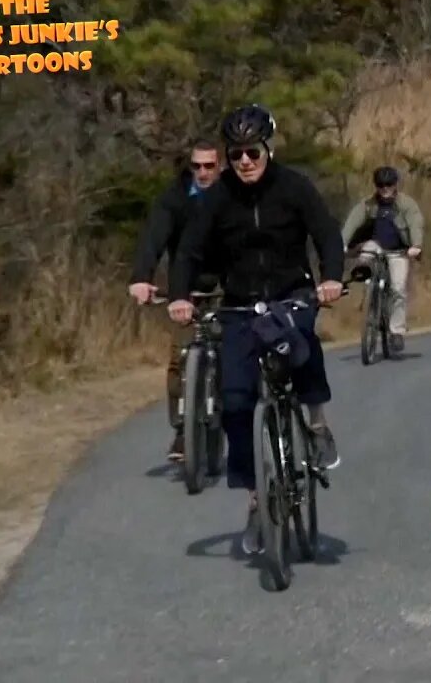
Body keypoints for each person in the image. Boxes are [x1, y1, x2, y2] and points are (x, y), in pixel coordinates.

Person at [168, 104, 345, 554]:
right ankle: (255, 497)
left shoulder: (294, 187)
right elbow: (189, 250)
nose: (245, 162)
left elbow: (326, 233)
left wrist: (330, 278)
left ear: (268, 149)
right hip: (240, 306)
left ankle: (317, 424)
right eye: (236, 155)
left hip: (290, 296)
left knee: (300, 344)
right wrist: (180, 296)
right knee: (234, 402)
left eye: (253, 152)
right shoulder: (217, 198)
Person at [127, 139, 223, 462]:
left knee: (235, 351)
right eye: (196, 166)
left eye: (209, 166)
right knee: (180, 357)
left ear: (220, 166)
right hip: (186, 288)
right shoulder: (175, 198)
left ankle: (236, 416)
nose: (202, 172)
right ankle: (184, 430)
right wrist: (142, 277)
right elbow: (154, 237)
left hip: (227, 284)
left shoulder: (233, 195)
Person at [339, 165, 424, 352]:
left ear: (395, 185)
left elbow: (415, 224)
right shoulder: (369, 204)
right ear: (376, 186)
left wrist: (416, 246)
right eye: (381, 185)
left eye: (389, 185)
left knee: (398, 289)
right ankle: (365, 276)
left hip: (399, 251)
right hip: (376, 246)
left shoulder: (406, 204)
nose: (385, 189)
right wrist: (342, 243)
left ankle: (397, 330)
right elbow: (352, 222)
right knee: (367, 251)